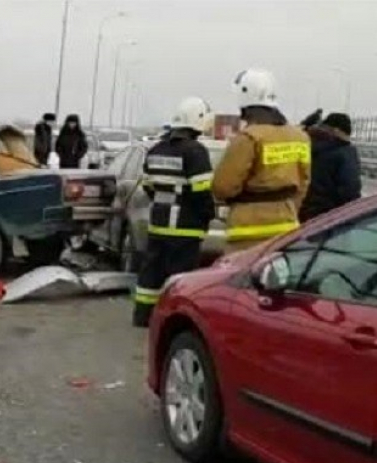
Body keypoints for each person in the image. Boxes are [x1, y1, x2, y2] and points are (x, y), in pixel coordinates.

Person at [133, 97, 216, 328]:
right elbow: (201, 191)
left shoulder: (156, 149)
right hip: (185, 226)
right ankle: (174, 319)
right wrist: (208, 215)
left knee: (151, 271)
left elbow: (149, 186)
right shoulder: (196, 151)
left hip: (158, 222)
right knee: (180, 276)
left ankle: (143, 314)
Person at [212, 69, 311, 254]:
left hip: (246, 230)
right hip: (286, 226)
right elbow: (304, 182)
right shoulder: (300, 137)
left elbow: (222, 187)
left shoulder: (248, 138)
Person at [299, 112, 361, 222]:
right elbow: (350, 188)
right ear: (337, 131)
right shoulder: (345, 151)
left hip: (303, 211)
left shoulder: (305, 144)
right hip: (330, 217)